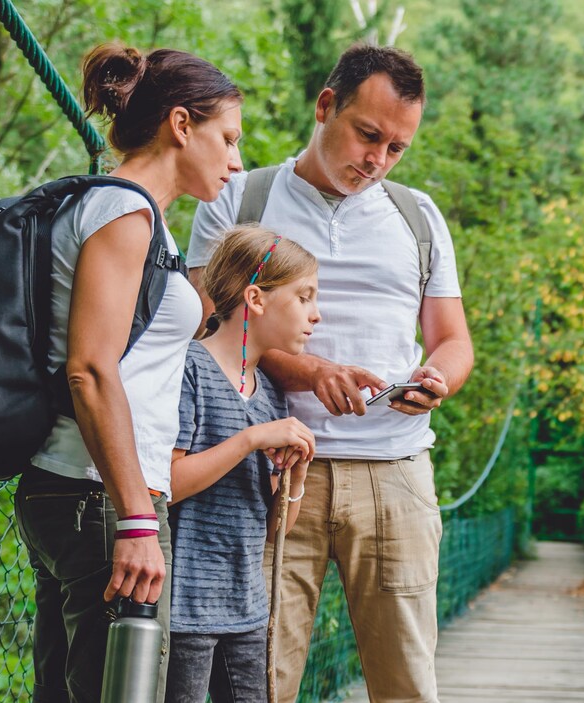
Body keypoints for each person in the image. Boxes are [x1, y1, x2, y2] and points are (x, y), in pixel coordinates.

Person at [189, 43, 473, 703]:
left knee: (405, 683)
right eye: (367, 134)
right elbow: (205, 330)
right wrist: (313, 372)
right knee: (256, 681)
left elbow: (453, 339)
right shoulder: (237, 197)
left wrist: (438, 378)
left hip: (396, 474)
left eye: (396, 148)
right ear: (325, 107)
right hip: (265, 470)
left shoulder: (418, 217)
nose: (377, 159)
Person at [14, 42, 242, 703]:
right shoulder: (125, 212)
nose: (235, 160)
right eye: (226, 137)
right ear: (181, 124)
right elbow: (90, 367)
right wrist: (138, 519)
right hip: (107, 495)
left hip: (80, 490)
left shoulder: (128, 214)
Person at [165, 225, 319, 703]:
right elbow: (166, 483)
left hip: (247, 607)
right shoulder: (190, 368)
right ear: (256, 298)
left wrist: (295, 473)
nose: (316, 314)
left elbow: (277, 526)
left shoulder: (269, 393)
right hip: (184, 609)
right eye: (304, 297)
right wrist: (251, 439)